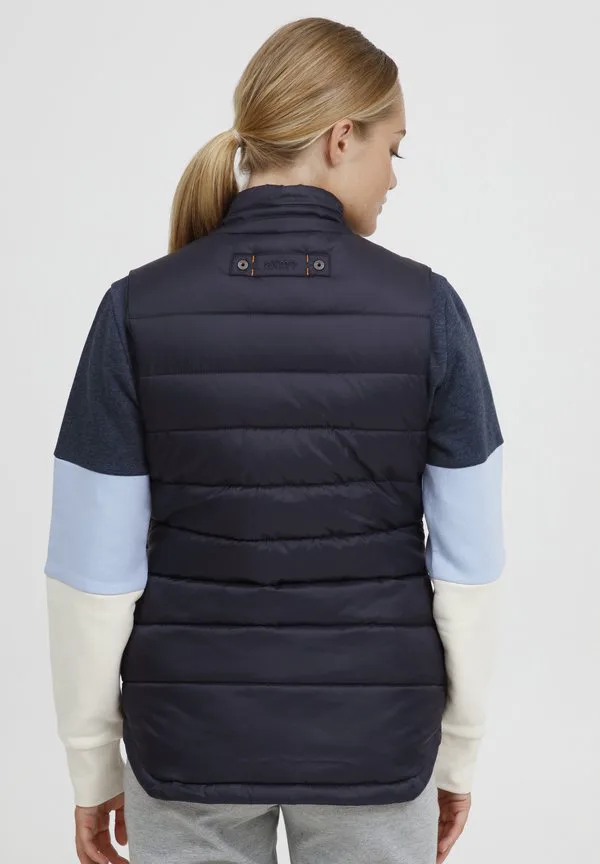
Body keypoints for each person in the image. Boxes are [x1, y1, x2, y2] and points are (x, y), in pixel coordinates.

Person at [43, 15, 505, 864]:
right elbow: (468, 575)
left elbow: (90, 581)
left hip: (187, 744)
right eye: (393, 149)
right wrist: (458, 755)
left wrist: (91, 767)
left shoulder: (136, 309)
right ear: (341, 138)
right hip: (374, 742)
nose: (393, 177)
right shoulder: (428, 309)